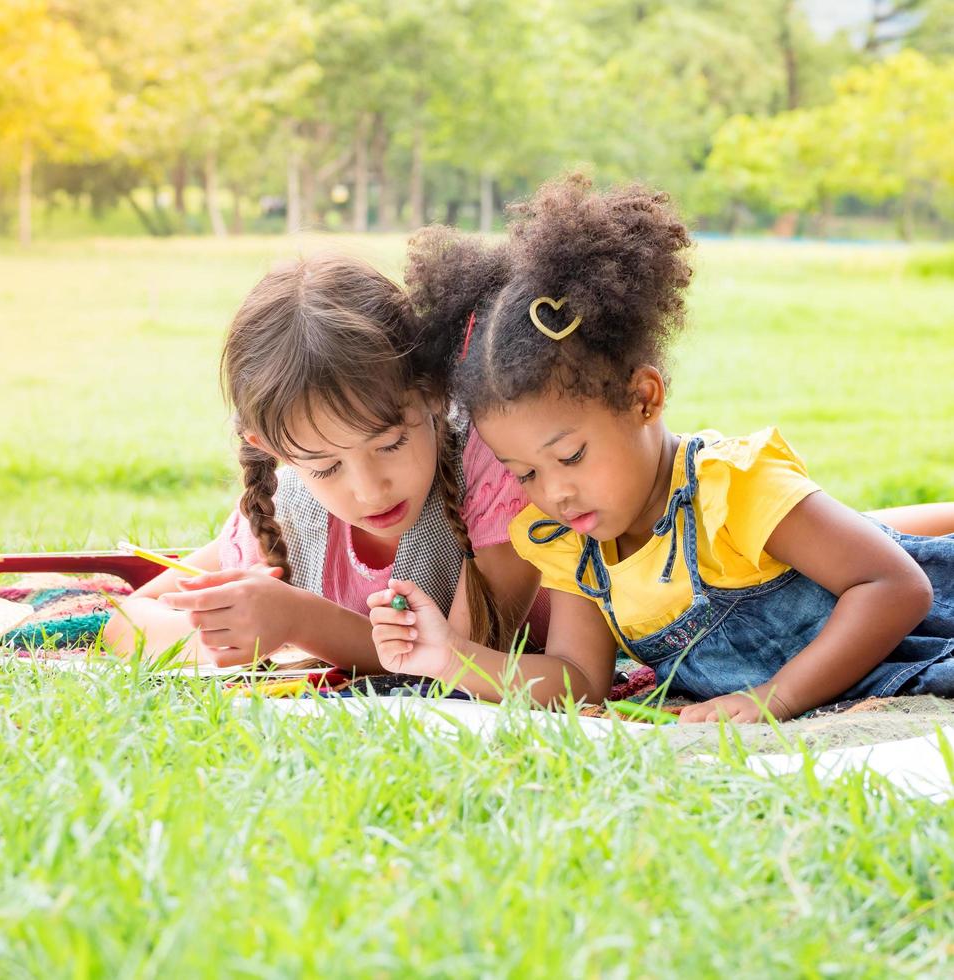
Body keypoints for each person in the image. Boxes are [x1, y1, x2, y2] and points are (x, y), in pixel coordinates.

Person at [369, 175, 954, 721]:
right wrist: (449, 657)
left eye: (570, 456)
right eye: (524, 474)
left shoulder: (732, 487)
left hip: (925, 640)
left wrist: (775, 699)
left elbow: (895, 587)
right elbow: (578, 678)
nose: (555, 493)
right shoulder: (575, 542)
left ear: (644, 398)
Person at [104, 254, 548, 674]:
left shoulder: (489, 463)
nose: (371, 490)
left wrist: (300, 621)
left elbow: (459, 658)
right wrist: (223, 635)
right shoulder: (286, 510)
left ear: (435, 391)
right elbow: (125, 621)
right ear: (273, 449)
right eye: (325, 467)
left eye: (390, 444)